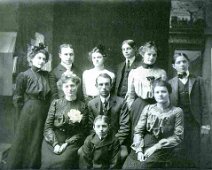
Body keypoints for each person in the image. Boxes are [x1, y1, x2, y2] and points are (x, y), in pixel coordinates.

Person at [7, 43, 51, 169]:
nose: (41, 61)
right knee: (27, 140)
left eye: (44, 59)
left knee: (37, 141)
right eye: (39, 58)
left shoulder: (46, 75)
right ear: (31, 58)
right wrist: (20, 116)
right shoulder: (24, 75)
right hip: (29, 112)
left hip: (43, 111)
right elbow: (17, 98)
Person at [123, 80, 184, 169]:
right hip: (145, 143)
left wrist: (156, 147)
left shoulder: (177, 111)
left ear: (169, 92)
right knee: (127, 166)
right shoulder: (148, 108)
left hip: (164, 146)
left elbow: (178, 137)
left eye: (163, 91)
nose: (160, 94)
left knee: (143, 167)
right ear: (154, 94)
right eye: (157, 92)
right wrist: (139, 150)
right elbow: (138, 131)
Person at [169, 52, 210, 168]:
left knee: (194, 153)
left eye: (184, 62)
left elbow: (204, 104)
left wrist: (205, 125)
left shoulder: (198, 80)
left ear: (188, 64)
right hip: (177, 124)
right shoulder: (170, 83)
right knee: (178, 152)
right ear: (174, 66)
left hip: (194, 123)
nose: (182, 64)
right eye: (178, 62)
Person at [41, 72, 88, 169]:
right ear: (62, 88)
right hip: (53, 139)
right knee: (47, 163)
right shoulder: (56, 103)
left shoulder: (83, 106)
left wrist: (66, 144)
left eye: (72, 86)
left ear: (77, 86)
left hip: (72, 141)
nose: (70, 89)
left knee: (63, 163)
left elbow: (82, 131)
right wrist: (55, 144)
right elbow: (48, 127)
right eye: (66, 86)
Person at [87, 73, 130, 167]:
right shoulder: (91, 104)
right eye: (101, 84)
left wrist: (115, 142)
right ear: (96, 86)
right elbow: (90, 127)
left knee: (123, 154)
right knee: (81, 153)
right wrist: (98, 142)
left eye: (107, 84)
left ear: (111, 85)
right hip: (97, 141)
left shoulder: (121, 102)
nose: (104, 87)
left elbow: (125, 126)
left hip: (116, 141)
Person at [127, 41, 167, 139]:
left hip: (156, 105)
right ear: (142, 54)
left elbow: (165, 94)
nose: (151, 57)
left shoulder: (161, 73)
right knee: (138, 134)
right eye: (148, 54)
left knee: (154, 135)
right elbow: (130, 94)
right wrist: (132, 108)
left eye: (154, 55)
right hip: (139, 106)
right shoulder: (135, 72)